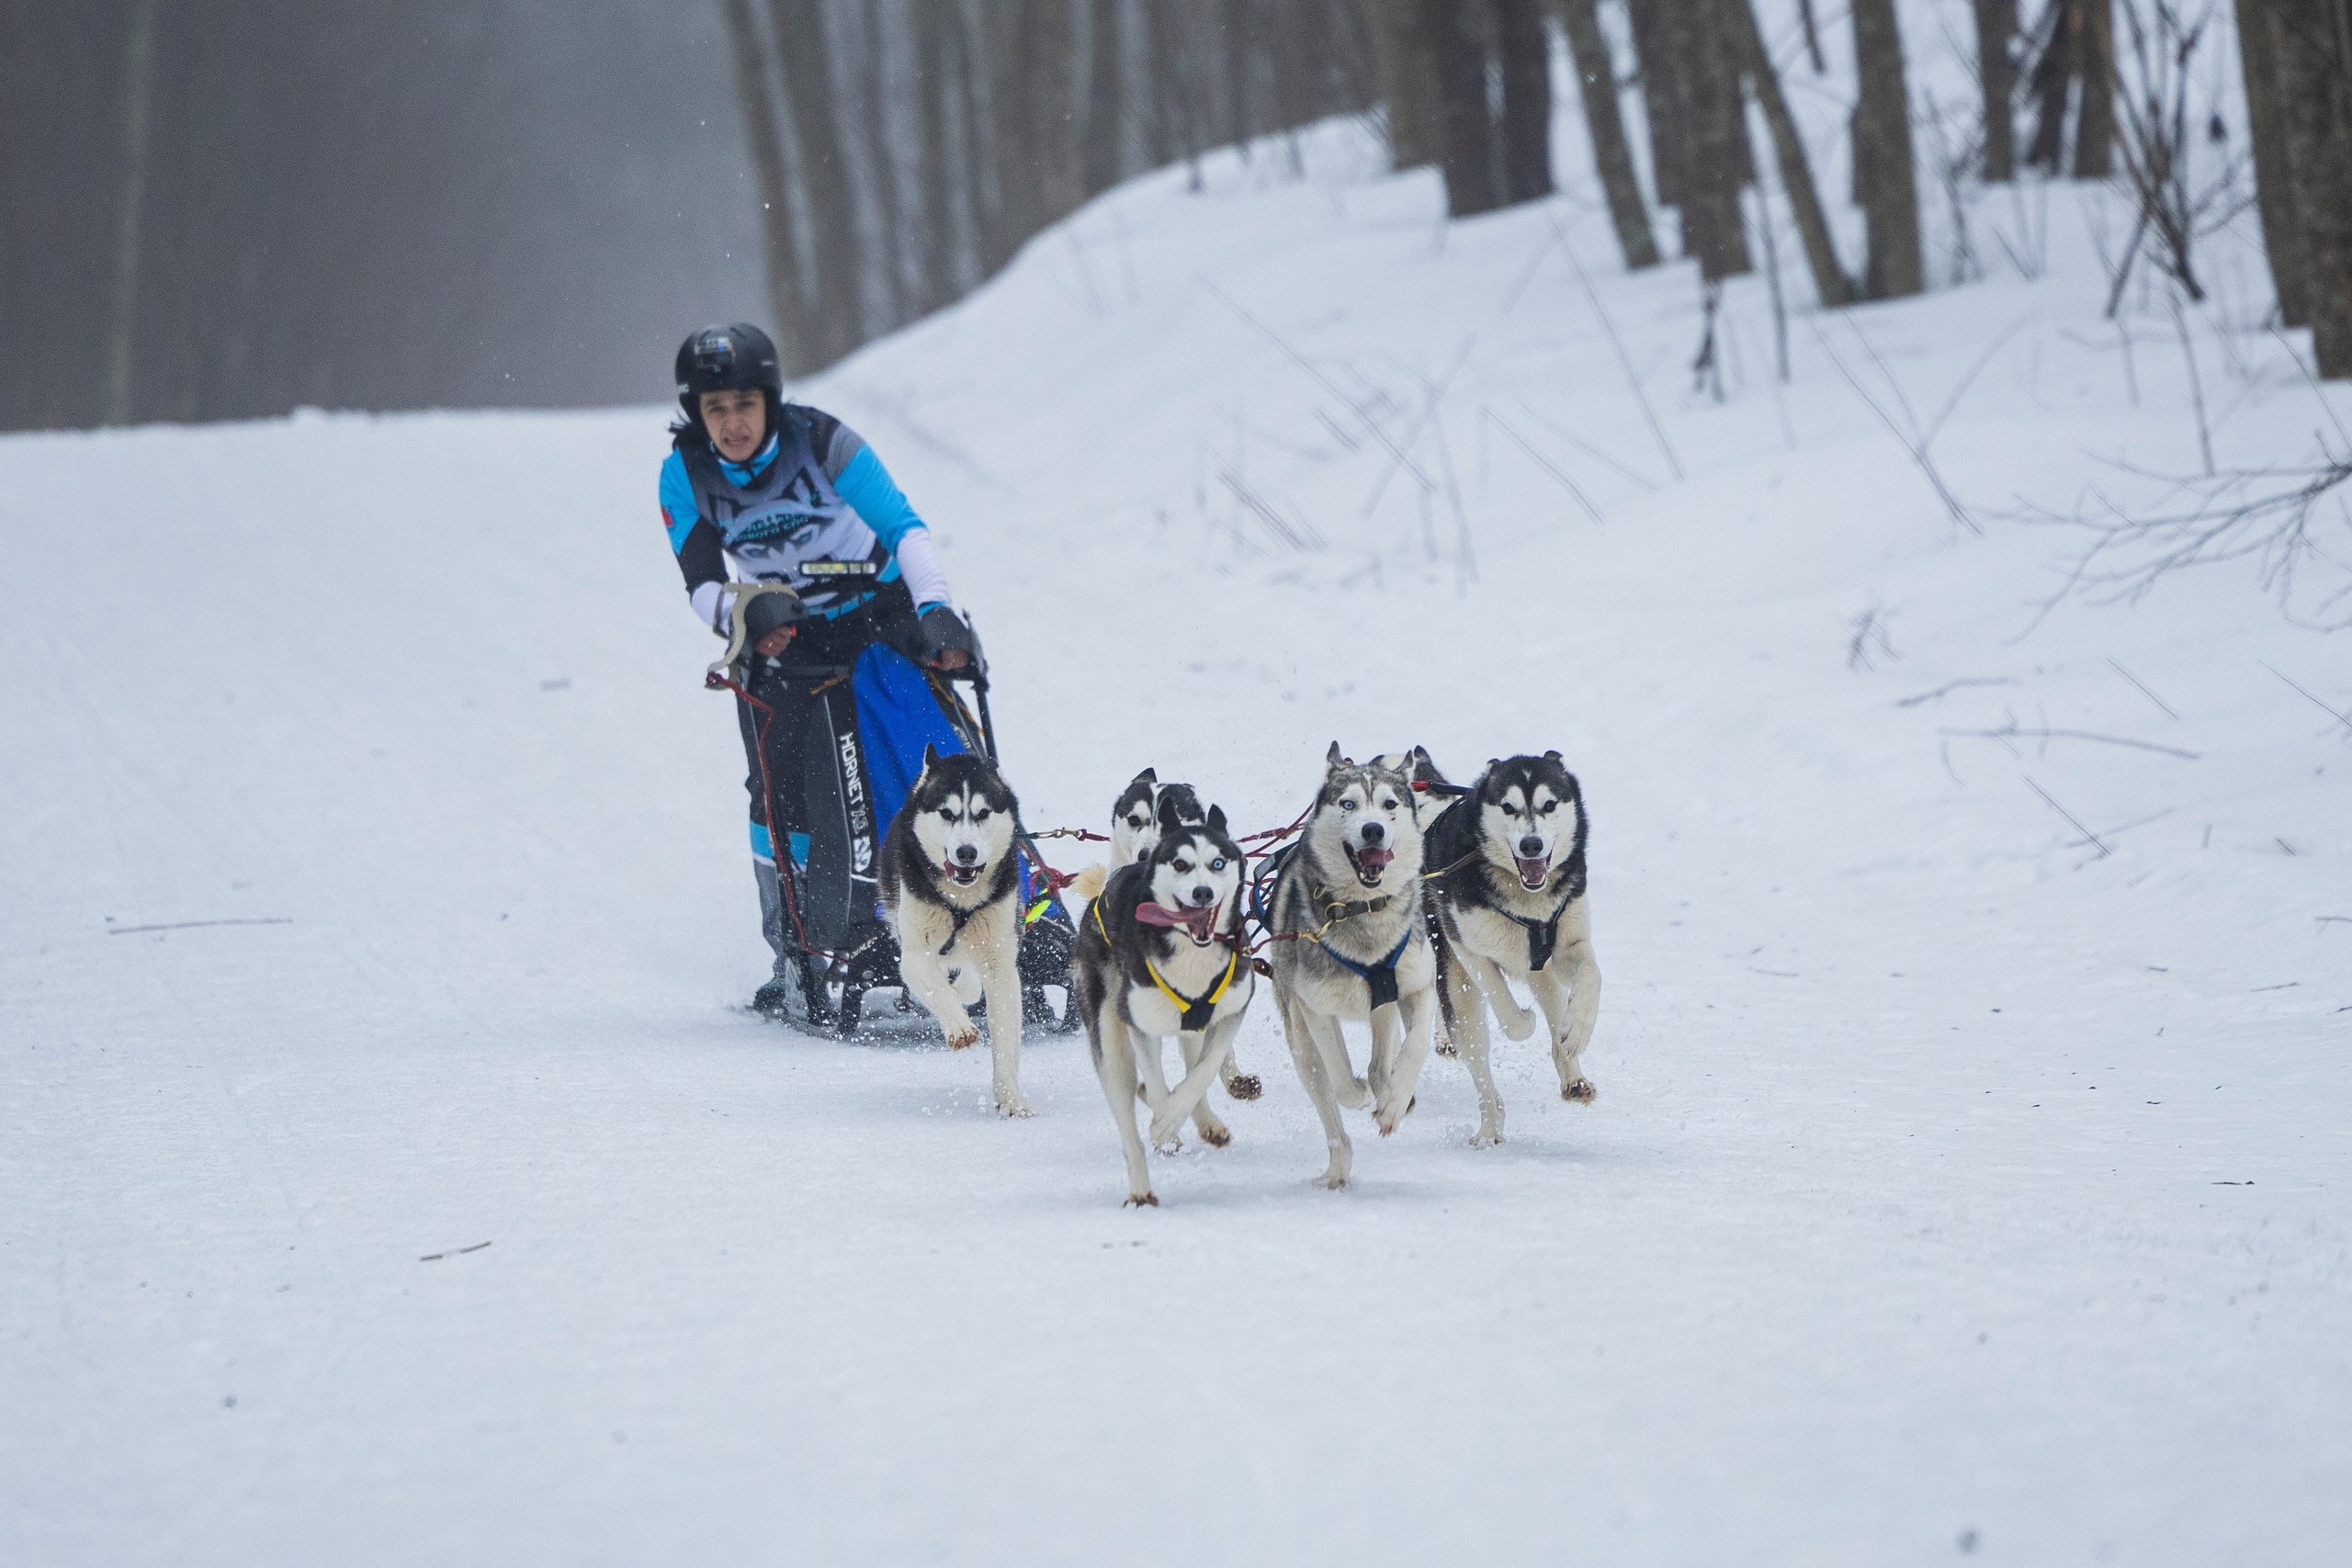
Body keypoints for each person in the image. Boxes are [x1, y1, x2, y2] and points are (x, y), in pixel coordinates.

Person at [660, 322, 977, 1016]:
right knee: (779, 787)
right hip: (786, 629)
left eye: (745, 404)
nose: (732, 423)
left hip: (878, 609)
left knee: (929, 755)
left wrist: (936, 609)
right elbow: (701, 584)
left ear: (770, 401)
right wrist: (744, 615)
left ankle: (986, 912)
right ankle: (798, 948)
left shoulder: (823, 440)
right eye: (715, 409)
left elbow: (905, 528)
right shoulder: (683, 475)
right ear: (696, 414)